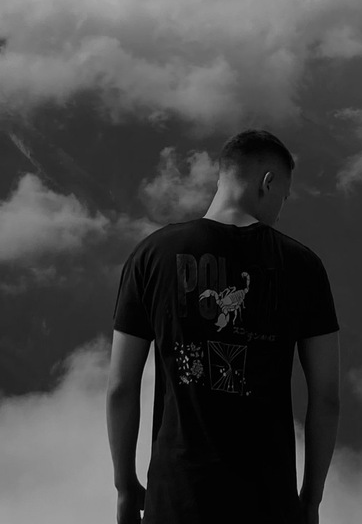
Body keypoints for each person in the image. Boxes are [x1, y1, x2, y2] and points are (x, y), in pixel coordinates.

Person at [106, 129, 341, 524]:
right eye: (284, 196)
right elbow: (327, 397)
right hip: (268, 503)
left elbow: (120, 387)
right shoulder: (304, 267)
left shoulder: (152, 255)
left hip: (174, 499)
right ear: (268, 182)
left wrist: (126, 487)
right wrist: (310, 499)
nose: (280, 210)